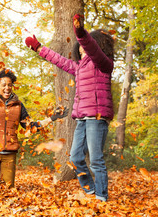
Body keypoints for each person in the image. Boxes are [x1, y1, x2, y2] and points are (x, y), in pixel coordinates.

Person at [25, 14, 115, 202]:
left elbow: (92, 48)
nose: (81, 47)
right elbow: (59, 60)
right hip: (82, 118)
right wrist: (39, 48)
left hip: (96, 117)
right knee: (75, 158)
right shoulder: (80, 67)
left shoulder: (103, 64)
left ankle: (101, 197)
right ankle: (90, 190)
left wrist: (80, 31)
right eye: (80, 44)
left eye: (84, 44)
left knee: (96, 160)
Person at [0, 69, 68, 188]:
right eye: (4, 85)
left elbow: (30, 126)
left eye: (10, 85)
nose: (7, 88)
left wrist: (52, 118)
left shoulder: (18, 105)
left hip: (9, 153)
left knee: (8, 190)